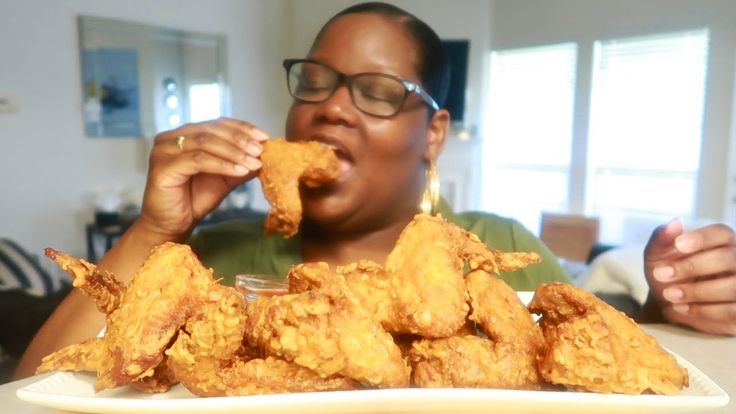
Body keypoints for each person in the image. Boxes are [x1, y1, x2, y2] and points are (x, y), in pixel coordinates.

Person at [15, 2, 735, 379]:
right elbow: (35, 392)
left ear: (434, 134)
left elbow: (587, 365)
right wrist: (151, 233)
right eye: (317, 82)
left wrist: (667, 308)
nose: (330, 106)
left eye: (377, 91)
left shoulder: (496, 249)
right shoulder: (206, 261)